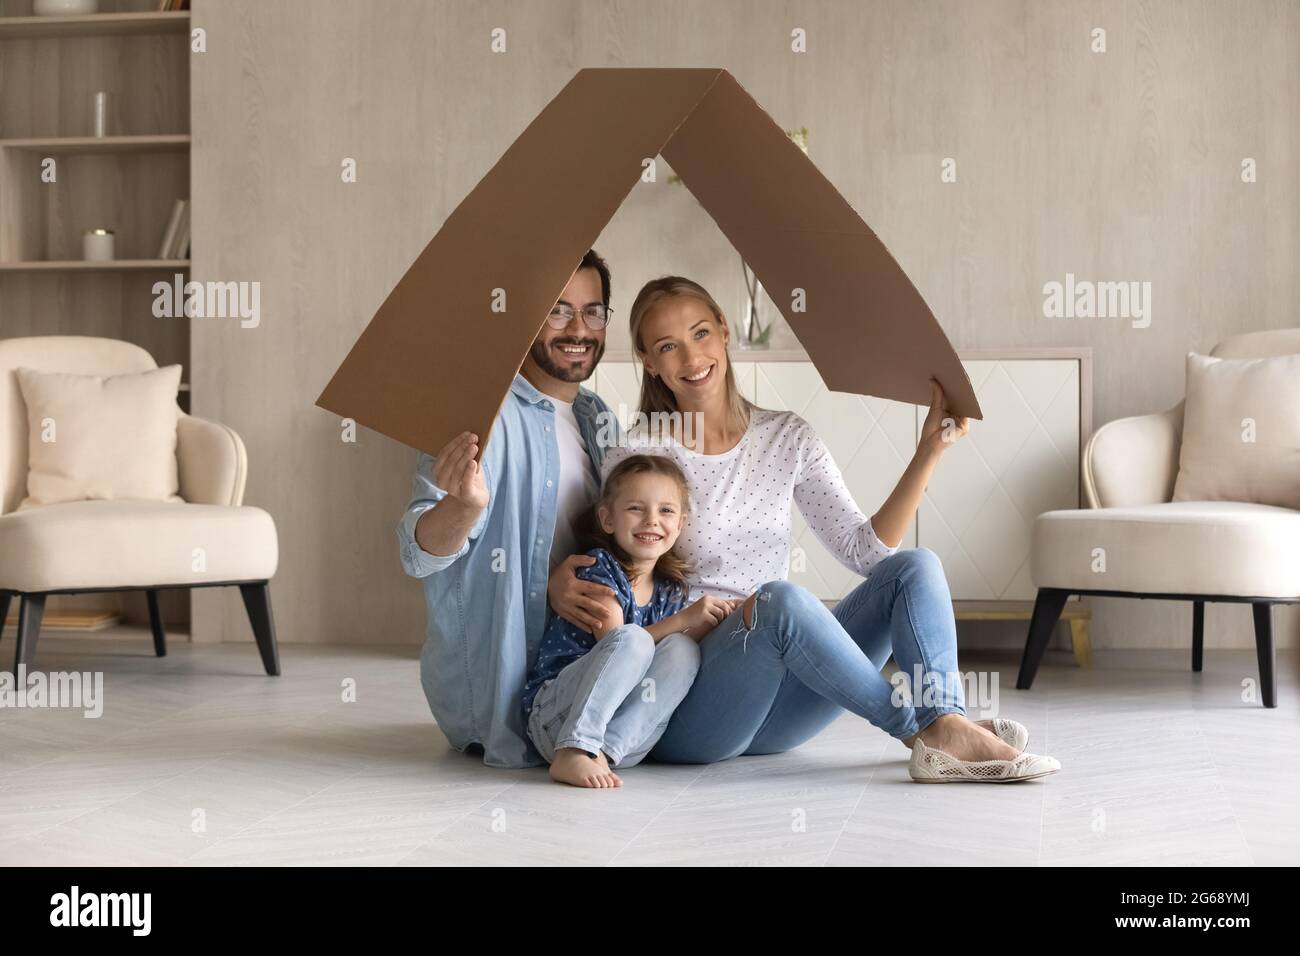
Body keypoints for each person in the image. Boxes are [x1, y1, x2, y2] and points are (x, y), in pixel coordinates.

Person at [550, 275, 1061, 783]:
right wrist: (559, 582)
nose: (691, 357)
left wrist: (930, 451)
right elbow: (608, 568)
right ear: (649, 361)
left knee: (914, 567)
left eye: (701, 333)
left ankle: (943, 717)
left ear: (724, 332)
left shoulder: (786, 436)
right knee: (781, 602)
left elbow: (866, 553)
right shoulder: (642, 453)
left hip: (784, 706)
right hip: (691, 708)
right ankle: (930, 732)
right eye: (668, 346)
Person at [398, 250, 623, 768]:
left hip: (570, 663)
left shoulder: (597, 417)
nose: (579, 328)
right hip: (496, 699)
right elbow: (418, 553)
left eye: (593, 311)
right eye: (558, 310)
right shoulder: (478, 410)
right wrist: (463, 506)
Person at [523, 454, 736, 788]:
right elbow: (617, 640)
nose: (652, 520)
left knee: (683, 649)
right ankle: (575, 749)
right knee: (634, 639)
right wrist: (684, 619)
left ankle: (601, 756)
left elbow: (665, 660)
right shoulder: (598, 569)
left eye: (666, 511)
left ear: (679, 524)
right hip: (557, 718)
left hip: (618, 739)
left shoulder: (668, 589)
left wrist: (707, 623)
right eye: (636, 508)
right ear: (608, 519)